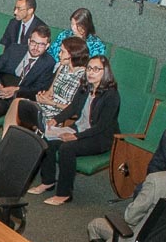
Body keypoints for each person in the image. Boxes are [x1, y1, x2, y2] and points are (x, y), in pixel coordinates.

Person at [30, 54, 121, 205]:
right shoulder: (85, 86)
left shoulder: (111, 95)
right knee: (47, 140)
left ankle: (64, 194)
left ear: (105, 72)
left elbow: (101, 126)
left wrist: (76, 137)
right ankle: (48, 181)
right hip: (78, 129)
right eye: (89, 68)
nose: (91, 72)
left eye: (96, 69)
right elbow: (73, 107)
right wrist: (56, 120)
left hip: (99, 137)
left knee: (67, 148)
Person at [3, 35, 90, 136]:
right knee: (17, 102)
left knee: (32, 116)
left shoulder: (85, 77)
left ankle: (19, 137)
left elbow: (75, 108)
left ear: (72, 55)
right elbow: (50, 91)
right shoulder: (62, 67)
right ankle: (6, 137)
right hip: (47, 104)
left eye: (62, 52)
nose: (59, 55)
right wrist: (42, 96)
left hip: (60, 112)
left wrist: (51, 103)